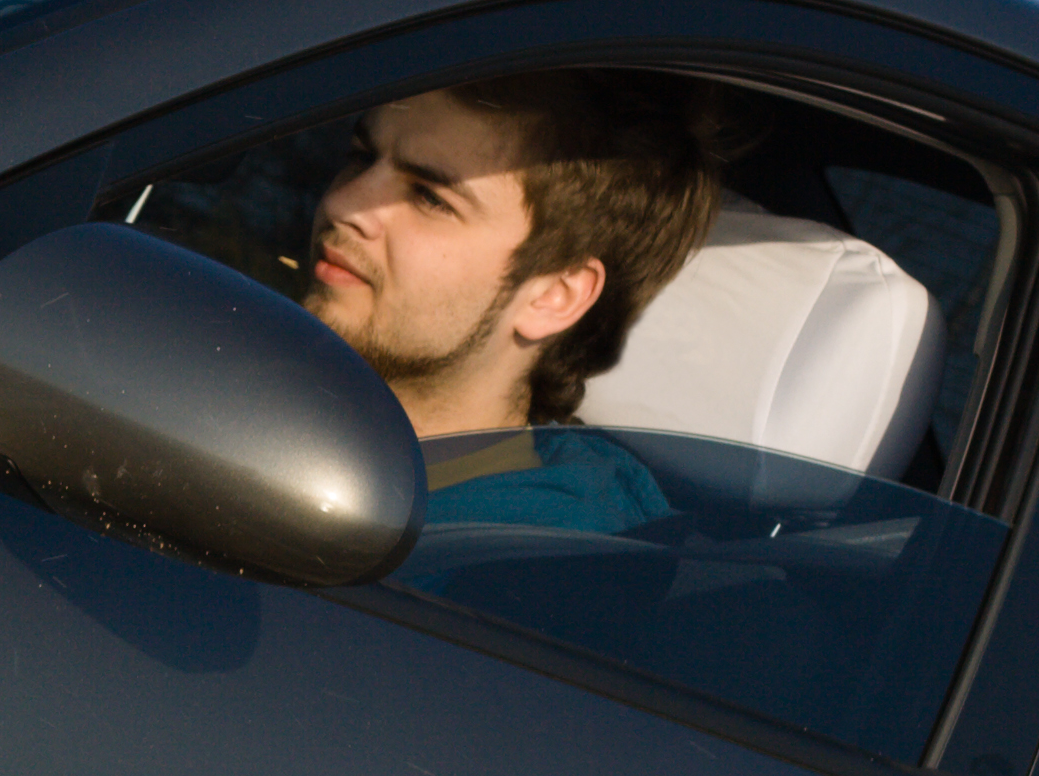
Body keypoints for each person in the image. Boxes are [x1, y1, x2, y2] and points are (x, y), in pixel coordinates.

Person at [296, 70, 723, 533]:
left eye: (430, 198)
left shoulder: (505, 573)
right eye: (361, 157)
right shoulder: (277, 406)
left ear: (553, 297)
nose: (343, 203)